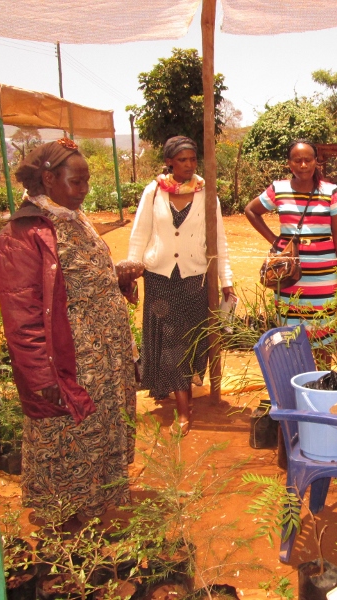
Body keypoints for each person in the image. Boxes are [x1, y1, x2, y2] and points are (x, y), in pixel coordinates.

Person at [0, 139, 136, 521]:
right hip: (70, 361)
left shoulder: (72, 215)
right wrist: (43, 378)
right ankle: (66, 520)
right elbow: (21, 317)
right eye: (78, 182)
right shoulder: (22, 234)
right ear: (49, 178)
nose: (86, 190)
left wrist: (114, 277)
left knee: (103, 429)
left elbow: (73, 277)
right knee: (69, 437)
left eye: (87, 181)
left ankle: (101, 501)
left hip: (103, 356)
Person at [125, 136, 234, 436]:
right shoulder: (153, 192)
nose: (188, 165)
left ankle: (179, 393)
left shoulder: (206, 195)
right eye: (182, 160)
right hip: (159, 278)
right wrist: (130, 273)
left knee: (185, 342)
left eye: (192, 160)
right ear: (170, 161)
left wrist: (227, 281)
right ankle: (183, 409)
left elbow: (219, 241)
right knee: (171, 342)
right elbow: (139, 234)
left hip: (193, 281)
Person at [244, 139, 337, 347]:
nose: (303, 165)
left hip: (324, 277)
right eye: (297, 160)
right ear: (289, 164)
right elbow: (251, 210)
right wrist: (275, 241)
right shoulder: (278, 188)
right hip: (289, 275)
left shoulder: (331, 192)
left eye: (308, 160)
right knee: (290, 336)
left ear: (316, 161)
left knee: (323, 335)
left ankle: (322, 379)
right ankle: (295, 379)